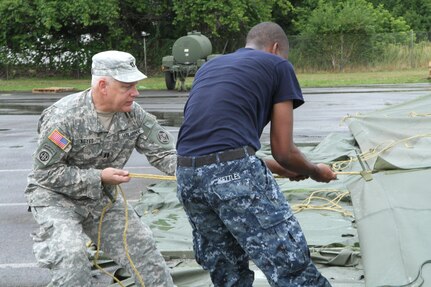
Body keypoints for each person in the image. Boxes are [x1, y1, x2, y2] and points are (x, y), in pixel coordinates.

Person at [175, 22, 337, 286]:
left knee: (227, 272)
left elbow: (211, 150)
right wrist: (316, 171)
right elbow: (284, 151)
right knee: (291, 266)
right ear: (276, 48)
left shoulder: (209, 67)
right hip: (232, 175)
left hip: (186, 175)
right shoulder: (278, 66)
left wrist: (281, 169)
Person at [25, 50, 176, 287]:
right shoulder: (64, 116)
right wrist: (100, 176)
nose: (135, 93)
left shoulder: (134, 114)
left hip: (101, 200)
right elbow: (46, 173)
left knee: (145, 253)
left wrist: (193, 171)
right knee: (72, 258)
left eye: (135, 86)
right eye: (127, 87)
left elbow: (165, 153)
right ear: (103, 85)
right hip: (57, 199)